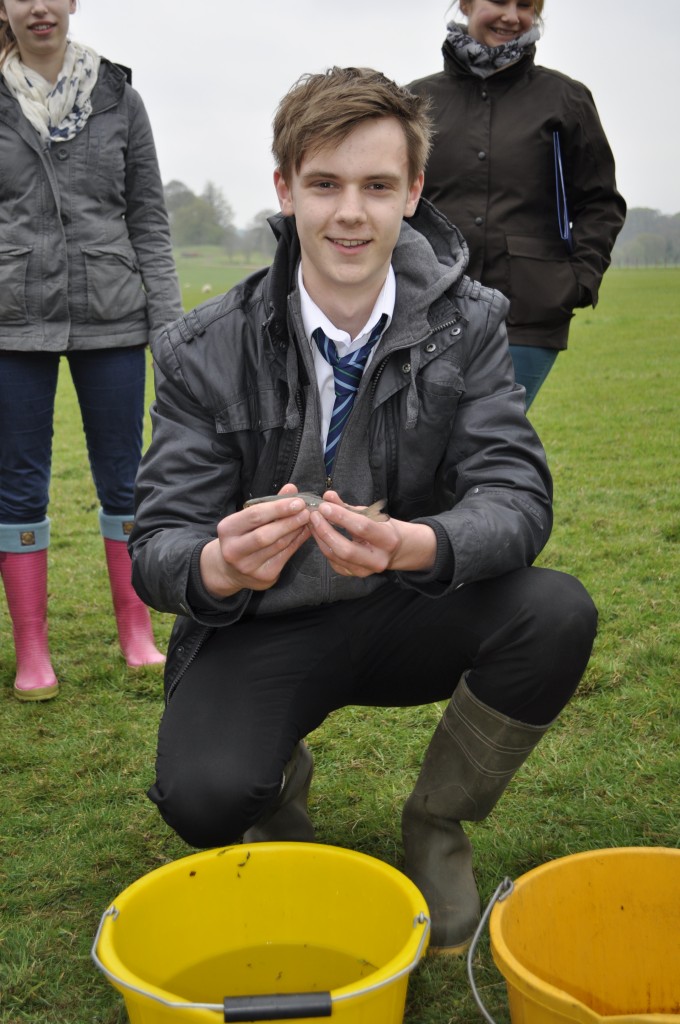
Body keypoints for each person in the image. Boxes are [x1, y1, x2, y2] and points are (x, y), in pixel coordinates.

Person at [129, 66, 598, 954]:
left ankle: (437, 824)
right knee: (203, 797)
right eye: (325, 185)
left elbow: (518, 498)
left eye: (378, 186)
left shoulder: (474, 323)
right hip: (262, 624)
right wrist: (216, 566)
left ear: (414, 191)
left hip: (408, 604)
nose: (351, 213)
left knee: (557, 610)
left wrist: (416, 544)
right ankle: (273, 784)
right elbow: (158, 540)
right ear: (285, 189)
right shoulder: (201, 346)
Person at [0, 0, 182, 701]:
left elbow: (149, 222)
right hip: (13, 321)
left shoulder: (118, 96)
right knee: (17, 480)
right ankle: (32, 651)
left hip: (113, 315)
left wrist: (168, 332)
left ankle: (137, 632)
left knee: (126, 477)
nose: (39, 6)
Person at [408, 0, 626, 408]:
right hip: (427, 309)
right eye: (499, 1)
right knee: (426, 443)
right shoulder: (415, 102)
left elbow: (600, 203)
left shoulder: (567, 99)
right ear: (469, 4)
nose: (512, 16)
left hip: (530, 315)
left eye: (525, 5)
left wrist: (577, 282)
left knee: (496, 436)